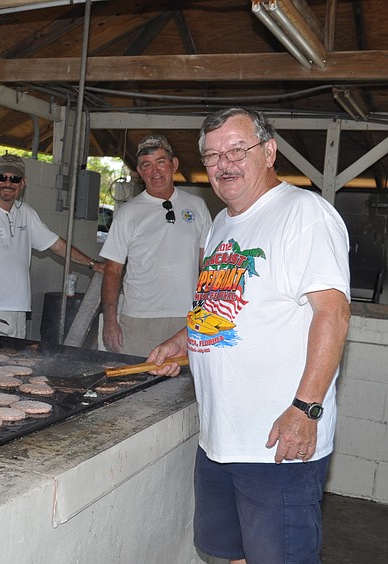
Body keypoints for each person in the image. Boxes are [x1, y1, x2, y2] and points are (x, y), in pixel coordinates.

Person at [149, 107, 350, 564]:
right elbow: (223, 309)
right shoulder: (223, 223)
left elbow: (334, 315)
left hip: (276, 440)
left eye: (238, 149)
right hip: (220, 436)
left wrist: (306, 409)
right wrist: (183, 342)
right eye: (213, 154)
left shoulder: (304, 214)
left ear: (269, 151)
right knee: (231, 555)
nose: (225, 163)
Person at [0, 154, 105, 338]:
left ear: (23, 183)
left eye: (14, 178)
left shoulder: (27, 213)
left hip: (18, 313)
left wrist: (93, 264)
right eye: (2, 177)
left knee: (14, 366)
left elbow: (57, 245)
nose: (8, 183)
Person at [99, 133, 211, 356]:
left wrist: (207, 312)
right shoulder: (128, 212)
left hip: (187, 317)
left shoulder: (197, 206)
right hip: (140, 318)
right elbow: (113, 270)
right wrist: (110, 322)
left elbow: (207, 266)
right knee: (137, 383)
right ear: (140, 172)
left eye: (161, 162)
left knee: (184, 387)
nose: (155, 171)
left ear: (174, 164)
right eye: (146, 165)